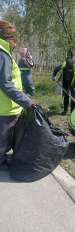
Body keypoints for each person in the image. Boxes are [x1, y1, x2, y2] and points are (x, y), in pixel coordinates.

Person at [0, 20, 34, 171]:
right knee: (3, 137)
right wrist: (26, 101)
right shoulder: (3, 55)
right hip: (5, 107)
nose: (15, 45)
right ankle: (1, 162)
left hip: (6, 105)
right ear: (6, 38)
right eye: (14, 41)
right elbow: (6, 84)